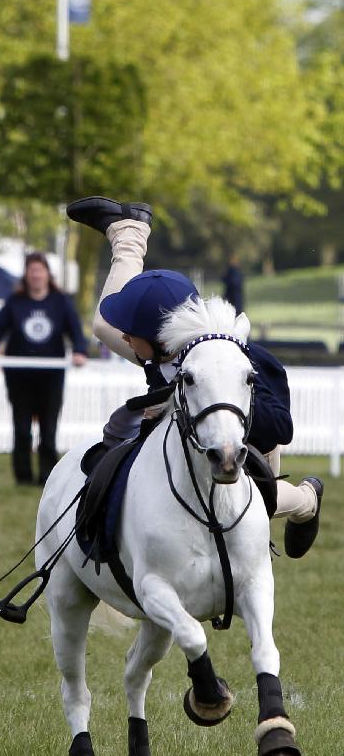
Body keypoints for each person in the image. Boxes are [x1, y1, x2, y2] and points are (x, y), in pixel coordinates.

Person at [66, 196, 322, 559]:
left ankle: (307, 500)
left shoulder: (232, 361)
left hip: (245, 453)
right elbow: (128, 333)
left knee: (258, 500)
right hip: (184, 399)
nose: (124, 337)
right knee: (102, 326)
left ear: (158, 337)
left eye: (132, 332)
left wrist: (222, 400)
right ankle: (129, 232)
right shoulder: (165, 346)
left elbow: (280, 429)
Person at [0, 251, 89, 486]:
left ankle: (48, 478)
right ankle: (23, 478)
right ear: (26, 275)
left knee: (48, 430)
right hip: (19, 377)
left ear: (47, 274)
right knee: (22, 429)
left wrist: (80, 350)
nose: (36, 275)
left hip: (50, 378)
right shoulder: (15, 302)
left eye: (40, 270)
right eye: (32, 271)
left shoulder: (60, 302)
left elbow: (75, 331)